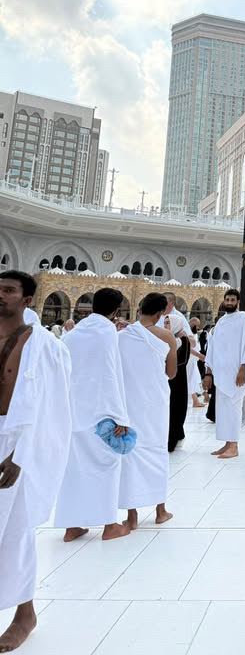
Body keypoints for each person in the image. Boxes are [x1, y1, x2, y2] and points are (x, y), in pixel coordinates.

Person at [0, 271, 72, 653]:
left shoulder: (43, 345)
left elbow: (52, 404)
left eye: (9, 291)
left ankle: (24, 614)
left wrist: (21, 454)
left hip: (17, 443)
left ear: (27, 300)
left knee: (16, 530)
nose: (1, 296)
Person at [54, 287, 131, 542]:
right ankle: (110, 526)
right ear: (116, 309)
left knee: (73, 470)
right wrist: (121, 417)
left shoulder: (73, 334)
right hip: (100, 413)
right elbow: (112, 375)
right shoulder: (108, 332)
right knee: (107, 466)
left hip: (71, 413)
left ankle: (72, 526)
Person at [118, 292, 177, 530]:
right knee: (156, 451)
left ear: (140, 308)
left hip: (129, 402)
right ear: (161, 313)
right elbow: (171, 373)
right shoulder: (166, 337)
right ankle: (160, 511)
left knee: (131, 454)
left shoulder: (121, 336)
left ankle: (132, 517)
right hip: (155, 403)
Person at [203, 289, 245, 459]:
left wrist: (243, 368)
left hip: (236, 373)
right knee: (223, 409)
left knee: (234, 409)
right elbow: (213, 347)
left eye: (232, 300)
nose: (229, 302)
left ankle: (234, 445)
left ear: (238, 302)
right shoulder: (221, 322)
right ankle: (227, 443)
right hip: (222, 374)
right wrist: (209, 372)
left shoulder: (244, 319)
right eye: (227, 299)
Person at [167, 315, 191, 452]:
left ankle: (173, 439)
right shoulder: (166, 338)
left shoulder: (183, 340)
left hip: (178, 380)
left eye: (169, 322)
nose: (166, 325)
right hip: (167, 380)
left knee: (176, 409)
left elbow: (182, 361)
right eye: (165, 322)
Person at [187, 317, 205, 408]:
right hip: (189, 360)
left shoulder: (192, 333)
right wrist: (199, 355)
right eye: (196, 325)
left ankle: (195, 400)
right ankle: (195, 401)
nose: (197, 328)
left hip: (193, 361)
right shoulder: (186, 332)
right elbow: (188, 348)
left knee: (193, 379)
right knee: (190, 379)